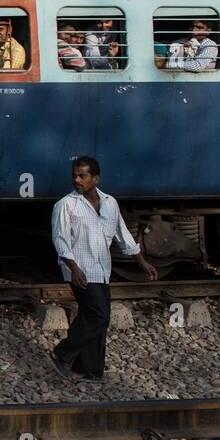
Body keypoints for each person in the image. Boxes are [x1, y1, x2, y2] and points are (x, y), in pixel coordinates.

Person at [49, 156, 156, 382]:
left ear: (95, 179)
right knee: (98, 315)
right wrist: (73, 267)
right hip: (80, 269)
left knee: (97, 316)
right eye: (74, 175)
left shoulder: (110, 203)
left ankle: (89, 369)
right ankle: (62, 354)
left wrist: (141, 262)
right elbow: (60, 239)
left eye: (82, 176)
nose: (76, 180)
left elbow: (123, 234)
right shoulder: (65, 205)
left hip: (102, 270)